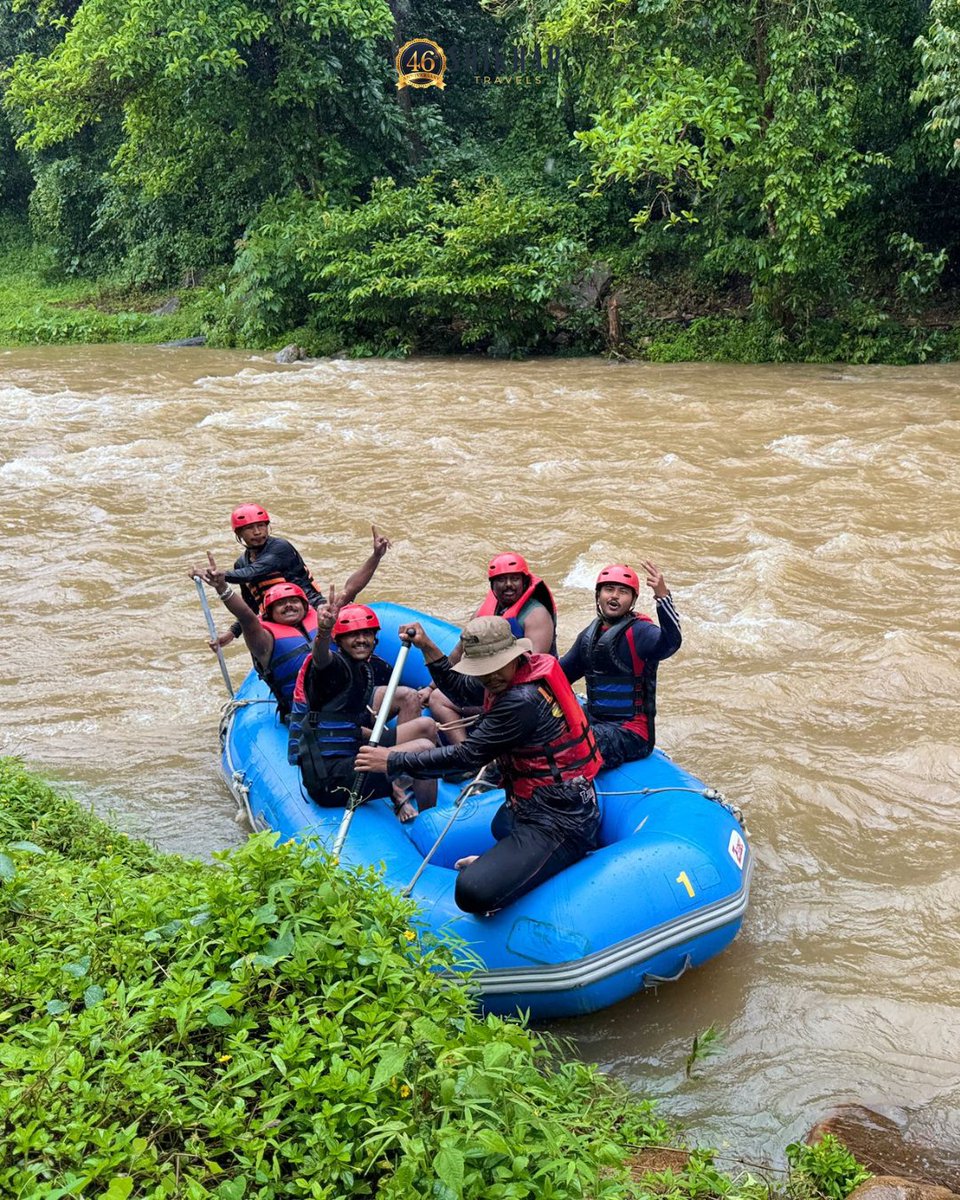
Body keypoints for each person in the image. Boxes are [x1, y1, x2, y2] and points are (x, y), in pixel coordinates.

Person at [356, 615, 602, 914]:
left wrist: (392, 759)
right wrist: (428, 647)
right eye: (483, 671)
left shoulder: (521, 701)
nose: (490, 677)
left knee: (471, 891)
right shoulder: (510, 675)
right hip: (534, 803)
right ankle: (513, 863)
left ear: (513, 655)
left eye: (495, 668)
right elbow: (461, 690)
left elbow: (466, 756)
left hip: (562, 820)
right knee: (502, 824)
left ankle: (556, 861)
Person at [288, 590, 438, 823]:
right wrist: (324, 631)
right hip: (331, 779)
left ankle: (399, 786)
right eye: (353, 635)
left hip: (351, 756)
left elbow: (345, 724)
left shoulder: (362, 669)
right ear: (339, 640)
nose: (361, 640)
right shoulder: (333, 667)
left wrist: (375, 738)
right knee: (425, 749)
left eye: (367, 633)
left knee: (427, 726)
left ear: (376, 638)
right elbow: (321, 659)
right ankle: (430, 821)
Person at [207, 505, 391, 650]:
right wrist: (232, 633)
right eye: (250, 528)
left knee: (343, 598)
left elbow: (253, 572)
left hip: (309, 605)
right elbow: (250, 607)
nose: (257, 532)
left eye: (261, 525)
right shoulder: (241, 564)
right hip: (276, 616)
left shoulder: (280, 548)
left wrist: (222, 576)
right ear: (239, 534)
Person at [424, 552, 558, 744]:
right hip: (492, 681)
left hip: (524, 694)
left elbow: (533, 668)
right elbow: (458, 652)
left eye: (514, 579)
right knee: (436, 696)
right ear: (492, 586)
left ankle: (469, 751)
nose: (509, 584)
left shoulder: (536, 615)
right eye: (502, 580)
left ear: (524, 582)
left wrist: (496, 701)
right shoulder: (484, 611)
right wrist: (430, 687)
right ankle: (465, 753)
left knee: (441, 699)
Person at [559, 562, 681, 768]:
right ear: (598, 595)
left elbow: (671, 643)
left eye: (623, 592)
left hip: (632, 733)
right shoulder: (589, 636)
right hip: (595, 720)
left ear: (632, 600)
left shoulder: (641, 632)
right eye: (609, 589)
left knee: (572, 746)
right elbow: (560, 676)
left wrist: (663, 597)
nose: (614, 596)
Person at [192, 552, 319, 719]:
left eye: (294, 601)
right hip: (305, 714)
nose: (288, 606)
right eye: (280, 604)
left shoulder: (322, 619)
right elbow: (246, 616)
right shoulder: (265, 640)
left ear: (305, 606)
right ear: (270, 613)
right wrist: (222, 587)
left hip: (342, 700)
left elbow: (349, 591)